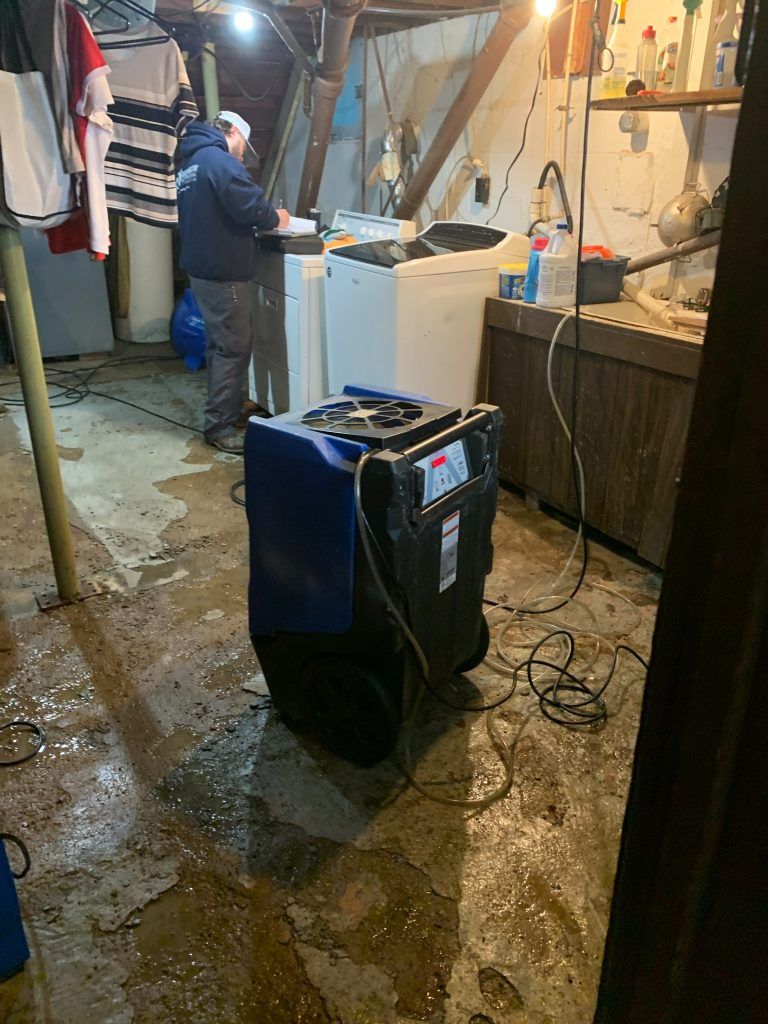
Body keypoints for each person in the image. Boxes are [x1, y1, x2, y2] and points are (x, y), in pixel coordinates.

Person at [176, 111, 290, 453]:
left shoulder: (191, 163)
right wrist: (278, 217)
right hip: (224, 274)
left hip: (202, 270)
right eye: (244, 147)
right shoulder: (219, 161)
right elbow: (253, 209)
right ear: (235, 132)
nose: (242, 155)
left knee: (219, 346)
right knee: (233, 349)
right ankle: (220, 427)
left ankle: (225, 411)